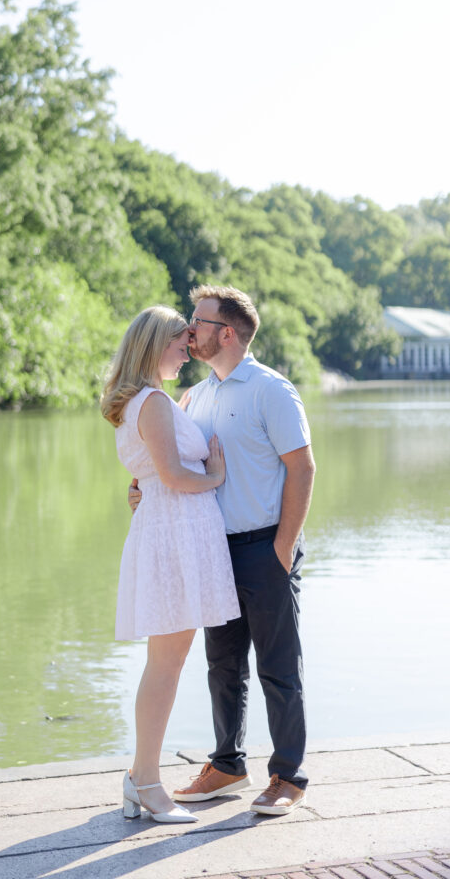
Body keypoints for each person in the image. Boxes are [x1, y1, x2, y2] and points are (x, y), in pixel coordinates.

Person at [130, 285, 315, 816]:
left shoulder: (271, 391)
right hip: (211, 549)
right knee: (223, 663)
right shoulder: (197, 394)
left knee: (278, 666)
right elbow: (174, 463)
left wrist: (282, 548)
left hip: (265, 547)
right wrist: (141, 488)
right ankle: (228, 765)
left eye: (199, 321)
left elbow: (303, 469)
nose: (190, 329)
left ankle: (288, 776)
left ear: (226, 332)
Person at [100, 305, 240, 824]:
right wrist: (217, 475)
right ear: (155, 343)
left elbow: (153, 474)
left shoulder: (150, 401)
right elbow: (175, 477)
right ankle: (147, 782)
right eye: (181, 341)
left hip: (170, 531)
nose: (188, 349)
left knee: (168, 661)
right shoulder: (152, 402)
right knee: (166, 663)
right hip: (173, 534)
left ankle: (141, 779)